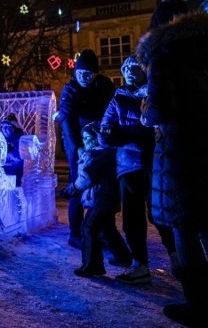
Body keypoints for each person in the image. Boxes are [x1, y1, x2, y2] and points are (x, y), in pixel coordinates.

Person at [136, 2, 208, 325]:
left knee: (184, 227)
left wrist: (144, 111)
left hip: (180, 156)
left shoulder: (164, 55)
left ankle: (199, 303)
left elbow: (161, 110)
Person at [100, 56, 177, 285]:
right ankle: (139, 264)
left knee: (160, 213)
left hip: (155, 163)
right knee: (132, 218)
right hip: (128, 166)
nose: (130, 72)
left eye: (135, 68)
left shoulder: (153, 94)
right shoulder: (118, 97)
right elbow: (106, 132)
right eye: (126, 69)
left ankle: (177, 256)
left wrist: (126, 136)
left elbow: (159, 127)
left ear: (145, 70)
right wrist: (132, 136)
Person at [58, 48, 116, 249]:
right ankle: (75, 234)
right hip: (78, 143)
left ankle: (101, 232)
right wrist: (77, 150)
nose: (84, 77)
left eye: (89, 74)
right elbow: (67, 121)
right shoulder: (70, 89)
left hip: (100, 142)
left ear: (96, 74)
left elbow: (111, 111)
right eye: (80, 73)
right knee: (77, 183)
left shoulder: (105, 86)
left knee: (101, 188)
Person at [62, 122, 131, 278]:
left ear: (96, 138)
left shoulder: (96, 155)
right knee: (107, 229)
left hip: (100, 200)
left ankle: (92, 266)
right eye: (83, 138)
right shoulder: (107, 153)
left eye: (87, 138)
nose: (85, 141)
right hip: (108, 199)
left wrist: (70, 190)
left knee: (88, 228)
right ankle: (123, 257)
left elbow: (85, 178)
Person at [0, 113, 24, 187]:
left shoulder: (20, 140)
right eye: (2, 127)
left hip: (16, 173)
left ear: (14, 128)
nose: (4, 129)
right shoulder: (2, 140)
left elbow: (18, 157)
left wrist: (5, 157)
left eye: (7, 126)